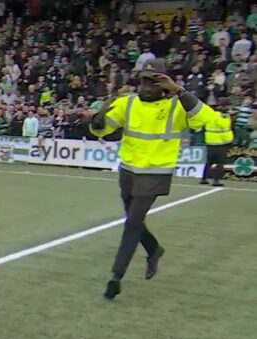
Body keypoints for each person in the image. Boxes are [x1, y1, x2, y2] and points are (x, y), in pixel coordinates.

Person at [87, 59, 219, 300]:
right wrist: (105, 105)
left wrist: (179, 90)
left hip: (156, 173)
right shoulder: (127, 103)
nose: (147, 86)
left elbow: (206, 119)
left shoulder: (176, 106)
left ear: (164, 83)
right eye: (144, 80)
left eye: (154, 81)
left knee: (133, 223)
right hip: (128, 171)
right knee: (133, 219)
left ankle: (115, 277)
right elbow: (100, 129)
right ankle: (154, 249)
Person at [200, 98, 234, 186]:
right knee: (220, 162)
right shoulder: (223, 115)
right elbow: (224, 126)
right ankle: (216, 180)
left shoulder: (211, 114)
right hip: (220, 142)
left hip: (210, 142)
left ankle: (204, 178)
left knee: (209, 162)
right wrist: (228, 117)